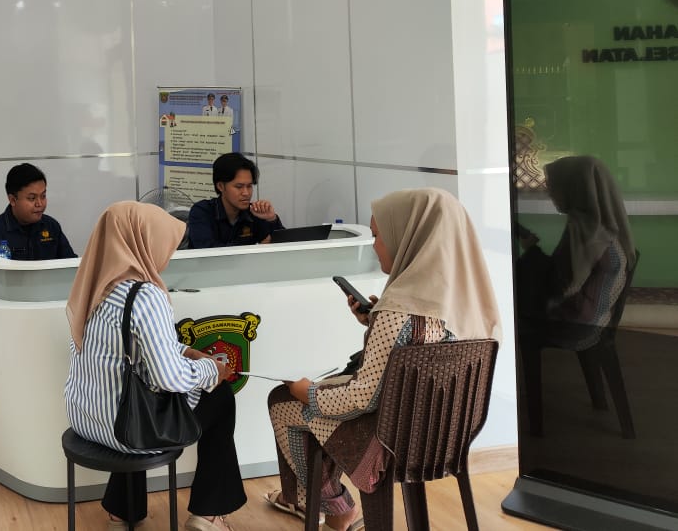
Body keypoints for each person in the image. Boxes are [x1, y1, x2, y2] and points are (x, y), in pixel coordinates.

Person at [264, 188, 501, 531]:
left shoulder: (397, 312)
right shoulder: (467, 298)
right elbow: (429, 351)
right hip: (444, 437)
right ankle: (328, 505)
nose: (375, 245)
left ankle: (334, 505)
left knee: (283, 401)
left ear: (406, 237)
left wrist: (308, 392)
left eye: (378, 235)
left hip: (388, 443)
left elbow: (362, 398)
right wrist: (372, 321)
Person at [65, 202, 247, 531]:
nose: (168, 255)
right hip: (123, 430)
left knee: (130, 390)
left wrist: (187, 350)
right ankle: (208, 514)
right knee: (220, 398)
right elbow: (169, 377)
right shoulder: (146, 296)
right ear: (143, 241)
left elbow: (132, 347)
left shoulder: (94, 286)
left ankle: (122, 511)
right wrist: (212, 372)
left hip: (86, 418)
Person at [515, 155, 635, 349]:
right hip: (597, 321)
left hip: (575, 326)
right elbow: (568, 275)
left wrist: (531, 252)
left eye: (553, 186)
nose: (549, 193)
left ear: (574, 188)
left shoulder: (584, 231)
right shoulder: (606, 228)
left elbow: (561, 287)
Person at [0, 163, 75, 259]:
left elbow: (71, 265)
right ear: (12, 200)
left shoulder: (52, 226)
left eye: (43, 196)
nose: (39, 204)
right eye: (32, 198)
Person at [184, 152, 283, 248]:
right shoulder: (202, 211)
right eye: (239, 187)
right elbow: (208, 251)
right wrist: (255, 248)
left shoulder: (254, 212)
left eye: (249, 186)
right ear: (220, 186)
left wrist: (271, 219)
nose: (246, 193)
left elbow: (284, 244)